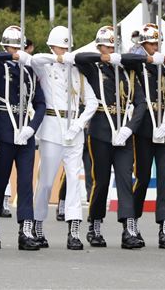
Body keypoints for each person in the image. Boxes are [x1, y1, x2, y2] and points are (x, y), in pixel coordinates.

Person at [72, 25, 147, 249]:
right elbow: (79, 57)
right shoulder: (94, 69)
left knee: (126, 179)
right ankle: (95, 224)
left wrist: (130, 128)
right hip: (101, 131)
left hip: (123, 133)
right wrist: (104, 57)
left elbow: (141, 103)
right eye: (106, 45)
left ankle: (129, 227)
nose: (109, 49)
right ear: (99, 46)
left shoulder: (127, 70)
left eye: (113, 46)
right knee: (101, 181)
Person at [28, 25, 97, 250]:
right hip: (51, 128)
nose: (64, 49)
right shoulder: (45, 68)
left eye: (67, 46)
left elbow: (93, 102)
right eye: (60, 46)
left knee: (74, 181)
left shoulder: (77, 71)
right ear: (52, 46)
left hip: (73, 130)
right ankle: (37, 225)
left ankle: (74, 230)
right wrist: (57, 57)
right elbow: (34, 59)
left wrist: (78, 125)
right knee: (46, 182)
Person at [0, 26, 46, 251]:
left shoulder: (29, 72)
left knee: (26, 183)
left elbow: (40, 104)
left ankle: (25, 230)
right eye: (12, 47)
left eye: (19, 47)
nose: (16, 50)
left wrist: (32, 128)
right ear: (6, 47)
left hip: (24, 133)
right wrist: (13, 56)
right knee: (0, 183)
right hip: (4, 131)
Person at [120, 23, 165, 249]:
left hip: (163, 130)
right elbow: (125, 58)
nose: (155, 47)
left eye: (157, 43)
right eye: (151, 43)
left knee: (164, 179)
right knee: (143, 178)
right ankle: (132, 223)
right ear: (142, 44)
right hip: (143, 131)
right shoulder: (136, 66)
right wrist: (146, 59)